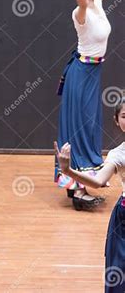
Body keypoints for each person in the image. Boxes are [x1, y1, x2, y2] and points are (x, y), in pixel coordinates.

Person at [55, 0, 120, 210]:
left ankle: (80, 183)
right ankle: (77, 189)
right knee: (79, 126)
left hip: (92, 72)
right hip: (81, 74)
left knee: (88, 125)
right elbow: (81, 0)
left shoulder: (98, 1)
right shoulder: (80, 12)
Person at [56, 97, 125, 292]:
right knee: (119, 276)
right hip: (123, 218)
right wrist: (68, 171)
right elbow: (98, 181)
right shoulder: (118, 154)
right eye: (124, 116)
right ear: (116, 120)